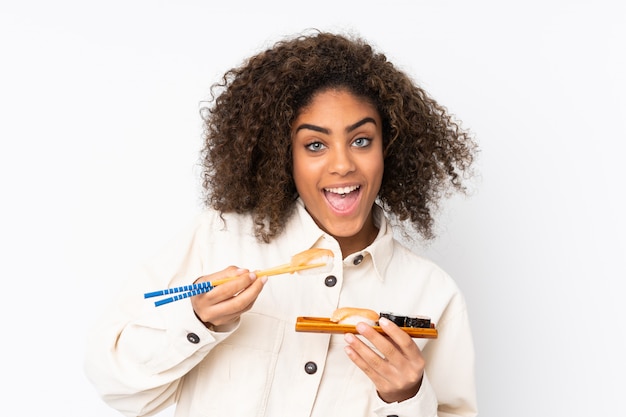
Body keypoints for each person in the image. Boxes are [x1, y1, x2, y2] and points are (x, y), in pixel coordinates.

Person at [85, 30, 479, 417]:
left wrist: (407, 398)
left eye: (361, 140)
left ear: (388, 148)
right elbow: (116, 384)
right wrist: (196, 320)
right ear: (282, 155)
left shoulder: (433, 295)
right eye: (315, 145)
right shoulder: (219, 239)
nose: (342, 164)